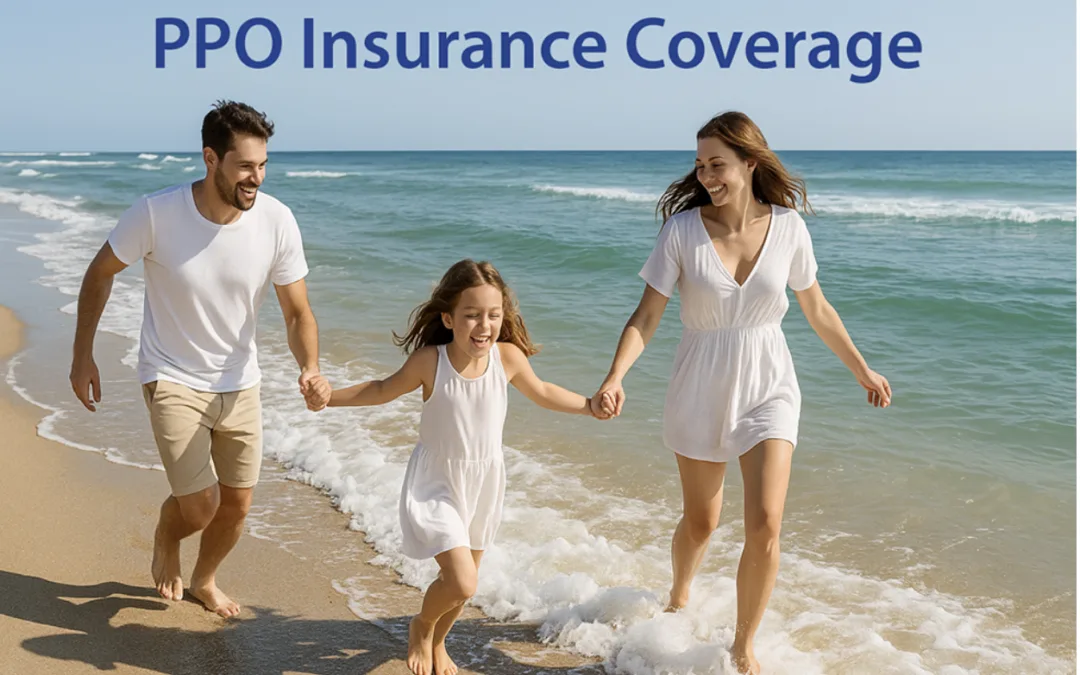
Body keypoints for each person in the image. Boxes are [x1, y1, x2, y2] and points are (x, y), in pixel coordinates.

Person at [590, 111, 892, 674]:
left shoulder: (790, 228)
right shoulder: (681, 231)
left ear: (750, 162)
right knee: (702, 521)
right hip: (700, 379)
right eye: (701, 164)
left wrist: (861, 369)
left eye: (718, 164)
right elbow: (647, 315)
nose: (706, 174)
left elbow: (817, 308)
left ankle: (743, 644)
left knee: (766, 523)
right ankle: (679, 593)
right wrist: (615, 376)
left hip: (769, 381)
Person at [68, 100, 324, 618]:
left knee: (237, 506)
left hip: (240, 381)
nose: (257, 178)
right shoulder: (156, 213)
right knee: (199, 506)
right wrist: (82, 356)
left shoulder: (276, 220)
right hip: (171, 375)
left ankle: (205, 579)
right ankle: (168, 532)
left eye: (264, 165)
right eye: (245, 166)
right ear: (211, 159)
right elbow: (100, 272)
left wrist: (309, 366)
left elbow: (297, 312)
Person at [301, 259, 610, 675]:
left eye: (493, 315)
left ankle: (439, 641)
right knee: (462, 581)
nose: (484, 325)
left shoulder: (508, 358)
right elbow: (380, 390)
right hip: (437, 483)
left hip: (484, 481)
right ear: (448, 318)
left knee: (463, 588)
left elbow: (543, 391)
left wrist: (590, 406)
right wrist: (329, 396)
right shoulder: (431, 361)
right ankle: (421, 626)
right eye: (472, 315)